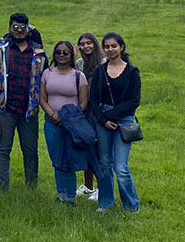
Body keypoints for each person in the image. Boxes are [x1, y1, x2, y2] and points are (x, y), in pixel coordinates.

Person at [0, 13, 48, 190]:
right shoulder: (1, 51)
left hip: (29, 111)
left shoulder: (39, 53)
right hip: (6, 109)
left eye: (23, 28)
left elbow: (46, 79)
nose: (19, 31)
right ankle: (1, 189)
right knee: (3, 150)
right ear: (9, 29)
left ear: (28, 29)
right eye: (15, 27)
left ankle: (31, 188)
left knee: (30, 151)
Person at [90, 32, 141, 213]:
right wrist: (104, 120)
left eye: (114, 46)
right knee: (105, 165)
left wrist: (111, 116)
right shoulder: (99, 71)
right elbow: (93, 99)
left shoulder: (132, 72)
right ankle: (106, 203)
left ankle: (131, 206)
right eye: (107, 47)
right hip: (102, 121)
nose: (110, 49)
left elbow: (134, 101)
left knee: (121, 167)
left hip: (124, 121)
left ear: (121, 47)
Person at [40, 41, 89, 206]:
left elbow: (83, 104)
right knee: (57, 161)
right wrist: (53, 115)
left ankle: (70, 198)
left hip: (70, 124)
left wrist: (64, 117)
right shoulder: (47, 73)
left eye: (66, 53)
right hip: (51, 122)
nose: (62, 56)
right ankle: (60, 195)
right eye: (58, 52)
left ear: (72, 55)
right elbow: (42, 99)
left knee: (68, 161)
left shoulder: (78, 76)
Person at [74, 32, 106, 200]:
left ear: (95, 44)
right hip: (84, 109)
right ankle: (88, 186)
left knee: (99, 149)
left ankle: (102, 187)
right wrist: (72, 55)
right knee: (87, 148)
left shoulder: (103, 62)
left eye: (89, 43)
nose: (86, 46)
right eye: (82, 44)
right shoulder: (79, 64)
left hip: (99, 109)